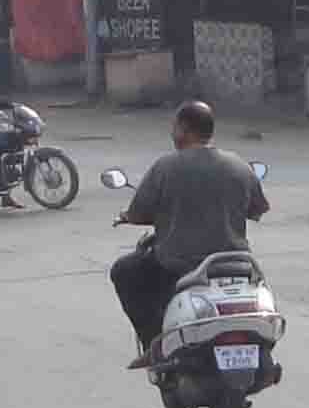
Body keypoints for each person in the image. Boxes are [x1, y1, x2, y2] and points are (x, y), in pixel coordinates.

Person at [114, 98, 266, 364]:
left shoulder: (166, 166)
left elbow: (139, 213)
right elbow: (257, 209)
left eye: (175, 127)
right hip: (235, 264)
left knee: (124, 272)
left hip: (178, 264)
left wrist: (127, 217)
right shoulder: (239, 165)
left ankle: (155, 345)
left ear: (185, 129)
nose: (173, 133)